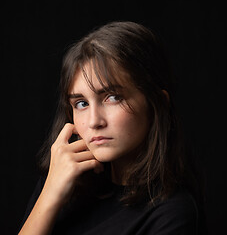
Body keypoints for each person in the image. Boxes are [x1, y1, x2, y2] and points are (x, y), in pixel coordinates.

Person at [19, 21, 206, 235]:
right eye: (81, 103)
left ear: (157, 104)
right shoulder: (58, 181)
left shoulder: (171, 214)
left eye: (113, 98)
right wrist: (49, 196)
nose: (93, 121)